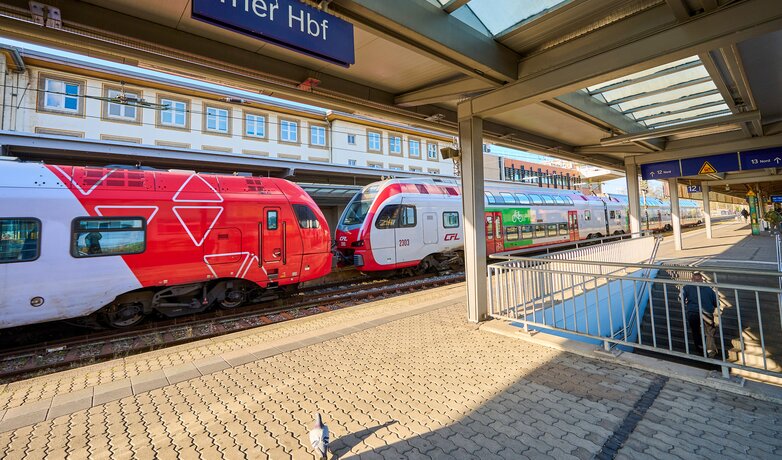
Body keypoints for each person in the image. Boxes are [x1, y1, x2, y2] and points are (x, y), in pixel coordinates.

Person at [681, 272, 719, 358]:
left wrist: (687, 302)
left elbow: (680, 298)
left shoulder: (687, 287)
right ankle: (711, 352)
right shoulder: (708, 289)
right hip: (707, 312)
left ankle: (700, 349)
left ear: (692, 279)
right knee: (709, 332)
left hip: (693, 312)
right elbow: (716, 302)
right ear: (702, 279)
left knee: (695, 331)